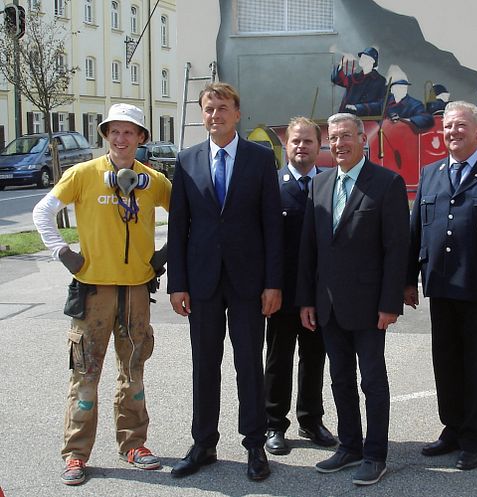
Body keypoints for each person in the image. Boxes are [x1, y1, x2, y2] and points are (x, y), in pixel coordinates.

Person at [32, 103, 171, 486]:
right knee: (85, 373)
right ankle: (76, 454)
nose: (121, 138)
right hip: (93, 290)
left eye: (129, 132)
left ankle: (133, 444)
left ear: (141, 138)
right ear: (106, 136)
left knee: (133, 370)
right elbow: (42, 213)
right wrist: (63, 253)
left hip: (137, 291)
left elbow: (187, 214)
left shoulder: (153, 180)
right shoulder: (82, 175)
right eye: (115, 132)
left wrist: (167, 251)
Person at [167, 82, 282, 482]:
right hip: (201, 282)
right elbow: (178, 226)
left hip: (249, 282)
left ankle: (254, 444)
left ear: (237, 113)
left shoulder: (260, 158)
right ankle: (203, 444)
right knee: (205, 365)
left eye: (222, 108)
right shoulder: (186, 160)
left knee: (249, 364)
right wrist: (176, 283)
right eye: (208, 108)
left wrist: (273, 282)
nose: (214, 115)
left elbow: (271, 224)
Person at [296, 113, 409, 486]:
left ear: (364, 139)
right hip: (328, 305)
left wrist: (390, 303)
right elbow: (309, 250)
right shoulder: (321, 184)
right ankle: (349, 446)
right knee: (340, 378)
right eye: (334, 137)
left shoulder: (387, 183)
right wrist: (307, 300)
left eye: (347, 136)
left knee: (372, 381)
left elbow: (396, 250)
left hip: (369, 306)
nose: (339, 143)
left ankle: (375, 454)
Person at [404, 101, 477, 471]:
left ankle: (472, 438)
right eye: (448, 127)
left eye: (461, 126)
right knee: (445, 363)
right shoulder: (432, 173)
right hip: (441, 283)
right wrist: (408, 279)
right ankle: (451, 428)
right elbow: (416, 228)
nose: (453, 132)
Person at [264, 117, 337, 455]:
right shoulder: (271, 186)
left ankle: (311, 420)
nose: (301, 147)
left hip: (319, 293)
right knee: (279, 359)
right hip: (281, 292)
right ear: (285, 144)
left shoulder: (330, 184)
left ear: (319, 145)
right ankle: (274, 424)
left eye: (308, 141)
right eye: (295, 141)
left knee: (314, 358)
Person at [331, 47, 387, 117]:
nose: (361, 59)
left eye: (365, 57)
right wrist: (342, 63)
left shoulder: (380, 80)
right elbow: (336, 79)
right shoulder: (354, 77)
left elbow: (381, 105)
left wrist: (358, 107)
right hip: (346, 117)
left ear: (372, 61)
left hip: (366, 120)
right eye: (361, 57)